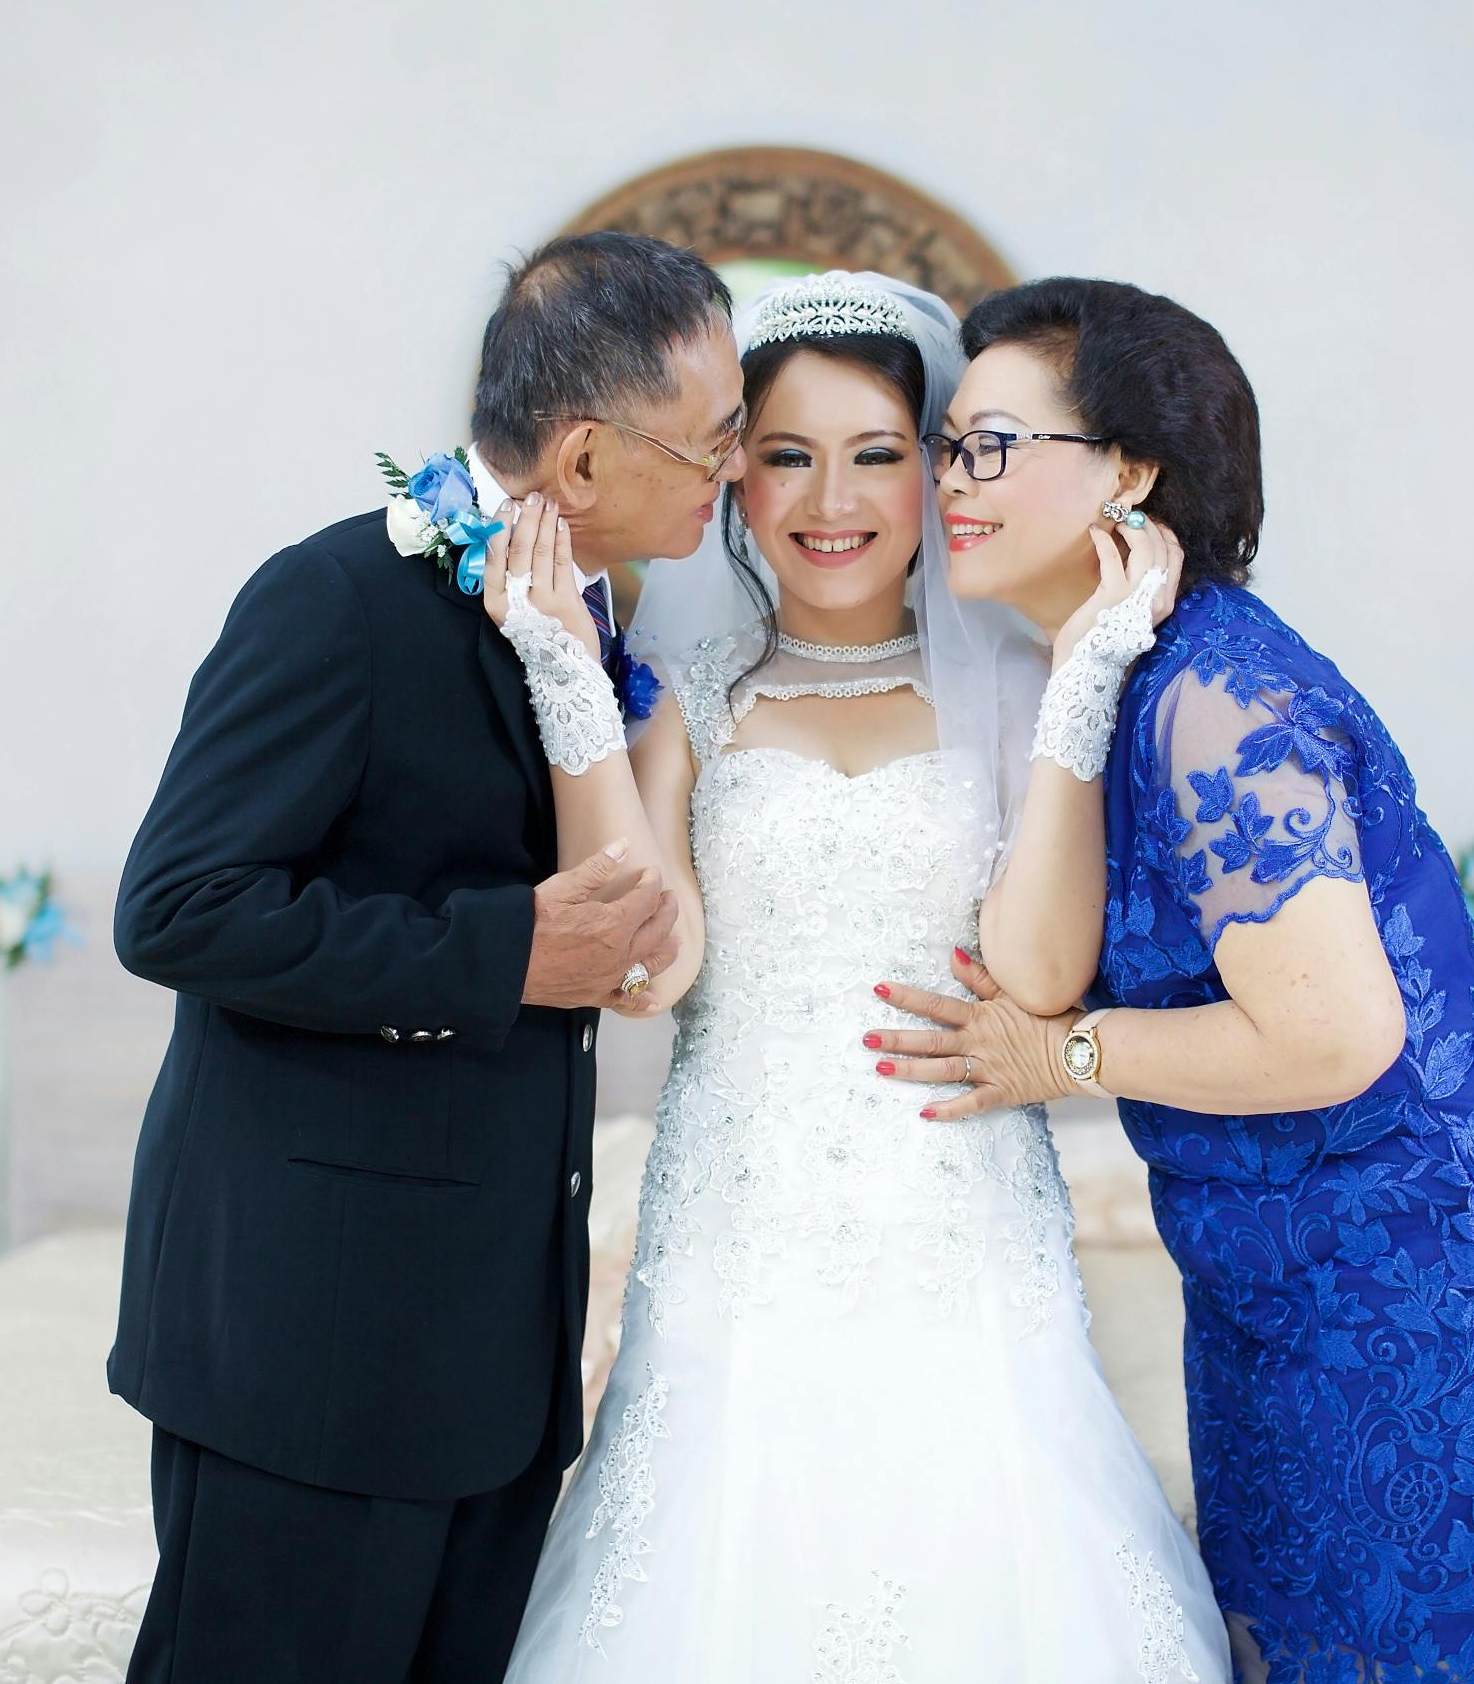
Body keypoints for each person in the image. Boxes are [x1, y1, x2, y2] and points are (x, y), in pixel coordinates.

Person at [868, 277, 1474, 1682]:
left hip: (1414, 1262)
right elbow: (1034, 965)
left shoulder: (1218, 696)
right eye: (946, 447)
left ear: (1129, 469)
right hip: (1270, 1270)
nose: (950, 481)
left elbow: (1335, 1035)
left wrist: (1063, 1064)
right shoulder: (1116, 674)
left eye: (990, 445)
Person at [485, 271, 1227, 1680]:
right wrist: (573, 688)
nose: (835, 498)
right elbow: (648, 974)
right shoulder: (693, 698)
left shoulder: (1022, 684)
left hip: (957, 1226)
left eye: (879, 451)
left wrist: (1083, 684)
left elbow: (1040, 967)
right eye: (786, 455)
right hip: (740, 1237)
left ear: (935, 467)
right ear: (733, 483)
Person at [104, 231, 740, 1683]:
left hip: (494, 1359)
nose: (731, 476)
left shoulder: (598, 623)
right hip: (311, 1349)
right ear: (581, 461)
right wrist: (505, 952)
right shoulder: (334, 600)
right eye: (710, 446)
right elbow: (180, 906)